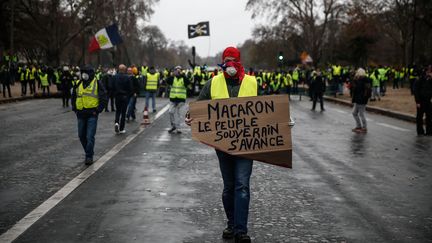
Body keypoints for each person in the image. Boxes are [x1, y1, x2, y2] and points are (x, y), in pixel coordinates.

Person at [186, 47, 255, 243]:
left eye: (234, 59)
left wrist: (284, 121)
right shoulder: (213, 83)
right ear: (223, 61)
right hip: (223, 145)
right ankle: (231, 224)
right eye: (227, 59)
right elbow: (199, 108)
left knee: (242, 185)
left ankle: (241, 231)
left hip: (247, 144)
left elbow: (267, 110)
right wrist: (190, 117)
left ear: (239, 61)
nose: (230, 63)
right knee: (229, 186)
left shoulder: (252, 82)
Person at [71, 65, 107, 165]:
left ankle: (89, 156)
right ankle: (89, 151)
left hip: (92, 114)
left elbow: (104, 97)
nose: (83, 74)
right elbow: (74, 96)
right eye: (82, 72)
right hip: (81, 114)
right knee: (81, 135)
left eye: (85, 72)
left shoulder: (97, 83)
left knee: (90, 136)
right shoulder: (78, 83)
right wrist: (75, 109)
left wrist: (98, 110)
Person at [166, 66, 189, 134]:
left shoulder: (184, 78)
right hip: (173, 99)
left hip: (181, 100)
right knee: (170, 112)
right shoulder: (173, 78)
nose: (178, 72)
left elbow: (188, 83)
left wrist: (183, 75)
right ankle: (173, 126)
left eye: (179, 70)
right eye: (176, 70)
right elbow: (167, 81)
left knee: (179, 114)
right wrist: (172, 75)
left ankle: (178, 128)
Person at [112, 64, 133, 134]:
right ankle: (121, 128)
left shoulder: (115, 77)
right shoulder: (127, 78)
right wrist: (129, 96)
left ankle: (116, 122)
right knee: (123, 113)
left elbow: (112, 86)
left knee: (118, 111)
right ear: (124, 70)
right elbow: (130, 88)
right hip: (125, 96)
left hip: (117, 96)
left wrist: (114, 94)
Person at [413, 65, 432, 136]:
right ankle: (420, 131)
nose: (429, 73)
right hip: (420, 101)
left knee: (429, 117)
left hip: (428, 101)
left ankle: (429, 131)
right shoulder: (420, 79)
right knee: (419, 117)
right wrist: (417, 101)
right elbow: (416, 91)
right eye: (429, 71)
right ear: (426, 71)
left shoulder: (430, 80)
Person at [351, 68, 371, 133]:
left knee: (361, 114)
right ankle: (359, 126)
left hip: (362, 99)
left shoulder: (366, 80)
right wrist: (354, 79)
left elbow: (368, 90)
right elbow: (354, 88)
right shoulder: (358, 80)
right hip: (357, 99)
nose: (356, 74)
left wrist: (364, 98)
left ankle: (364, 127)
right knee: (354, 113)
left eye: (357, 73)